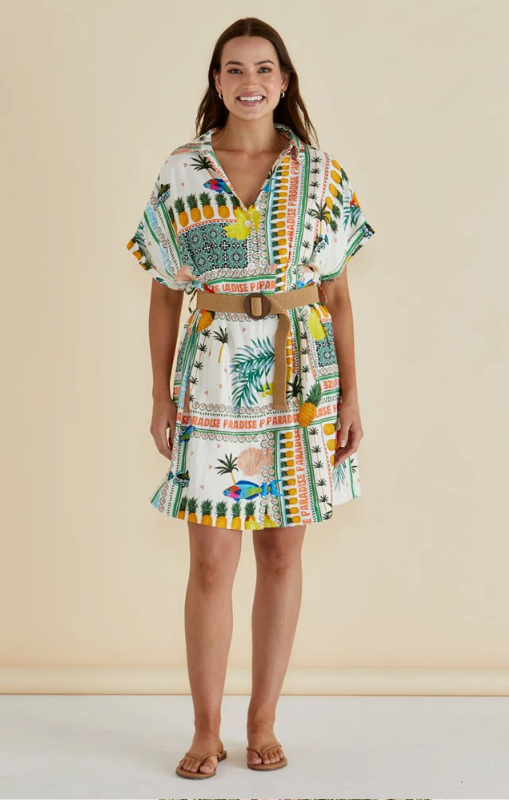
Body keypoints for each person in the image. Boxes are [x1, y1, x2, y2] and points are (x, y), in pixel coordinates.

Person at [125, 16, 375, 780]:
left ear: (284, 81)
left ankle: (262, 720)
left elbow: (335, 293)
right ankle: (205, 730)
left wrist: (353, 396)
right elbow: (166, 294)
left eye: (263, 68)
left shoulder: (319, 173)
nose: (249, 81)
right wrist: (160, 396)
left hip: (302, 378)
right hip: (211, 375)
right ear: (216, 82)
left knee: (281, 550)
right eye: (233, 69)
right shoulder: (181, 173)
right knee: (209, 560)